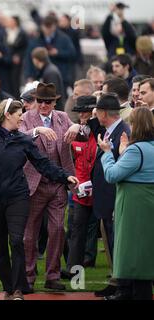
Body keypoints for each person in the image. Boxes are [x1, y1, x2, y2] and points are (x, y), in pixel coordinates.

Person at [0, 98, 79, 300]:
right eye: (19, 116)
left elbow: (43, 164)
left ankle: (18, 289)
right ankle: (8, 288)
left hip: (18, 196)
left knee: (17, 240)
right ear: (7, 115)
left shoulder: (23, 140)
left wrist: (64, 176)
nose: (22, 120)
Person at [20, 82, 79, 292]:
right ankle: (27, 275)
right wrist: (37, 130)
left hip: (58, 184)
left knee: (57, 230)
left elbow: (86, 131)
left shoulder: (63, 117)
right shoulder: (26, 118)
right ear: (35, 101)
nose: (43, 105)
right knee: (30, 234)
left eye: (48, 101)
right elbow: (16, 137)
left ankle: (52, 276)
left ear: (55, 102)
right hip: (34, 184)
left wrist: (77, 126)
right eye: (40, 101)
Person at [97, 107, 154, 300]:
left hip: (133, 207)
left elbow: (112, 175)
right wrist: (123, 152)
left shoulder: (137, 150)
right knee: (142, 255)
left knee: (133, 256)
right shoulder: (147, 148)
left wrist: (107, 153)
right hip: (145, 204)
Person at [82, 93, 132, 298]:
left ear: (103, 113)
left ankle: (121, 283)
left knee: (116, 241)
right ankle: (115, 280)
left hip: (114, 199)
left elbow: (121, 168)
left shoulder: (122, 133)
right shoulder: (111, 130)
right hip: (107, 197)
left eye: (97, 111)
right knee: (111, 241)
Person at [65, 96, 98, 274]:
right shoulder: (75, 132)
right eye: (80, 112)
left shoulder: (101, 130)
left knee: (107, 232)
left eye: (86, 112)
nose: (82, 115)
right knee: (77, 229)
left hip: (100, 189)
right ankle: (73, 269)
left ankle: (119, 273)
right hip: (80, 190)